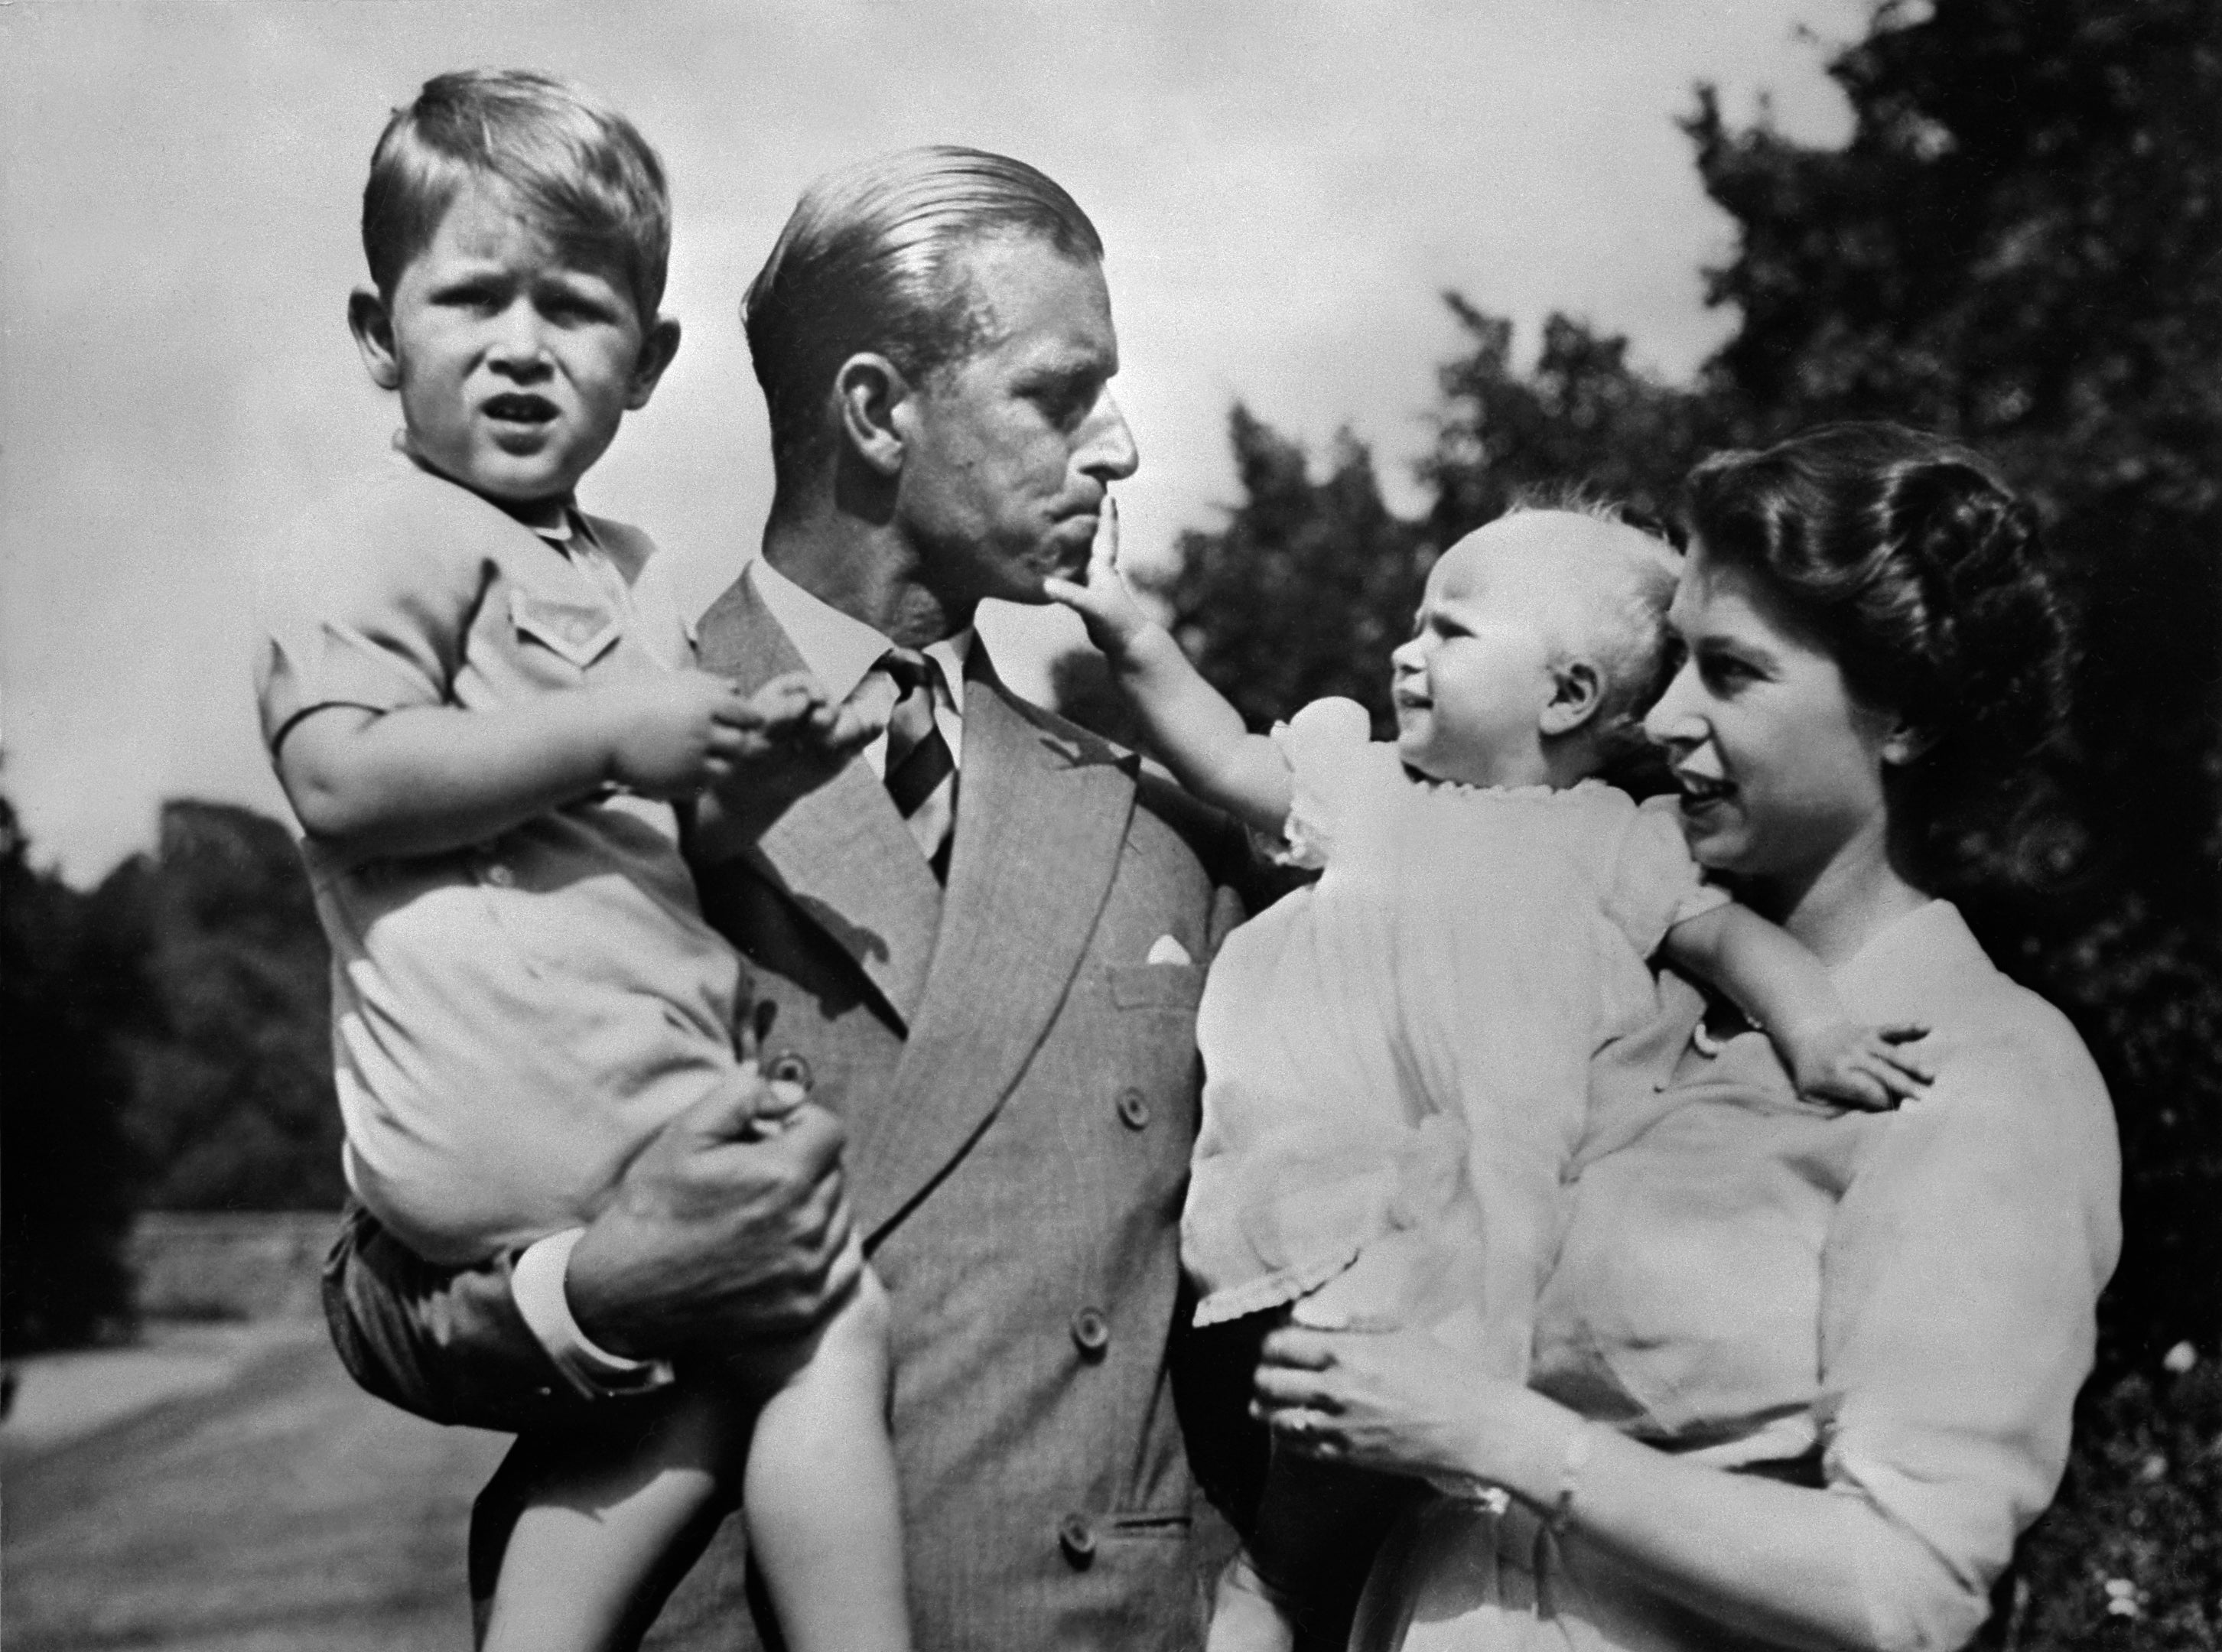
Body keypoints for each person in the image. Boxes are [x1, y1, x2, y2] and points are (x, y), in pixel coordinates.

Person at [317, 142, 1260, 1650]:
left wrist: (1260, 1598)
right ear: (879, 411)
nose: (1121, 449)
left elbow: (1283, 1276)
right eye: (1059, 393)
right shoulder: (568, 761)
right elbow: (376, 1292)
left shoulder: (1156, 828)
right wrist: (604, 1291)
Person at [1249, 424, 2122, 1651]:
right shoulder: (1617, 993)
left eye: (1731, 672)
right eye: (1671, 666)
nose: (1659, 716)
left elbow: (1905, 1587)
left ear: (1903, 720)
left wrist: (1490, 1432)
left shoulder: (1981, 1073)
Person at [256, 71, 913, 1652]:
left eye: (577, 309)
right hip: (519, 1098)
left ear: (650, 363)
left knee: (676, 1400)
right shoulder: (385, 531)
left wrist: (744, 775)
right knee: (830, 1322)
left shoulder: (615, 572)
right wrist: (620, 734)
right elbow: (340, 778)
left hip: (598, 1095)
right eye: (470, 297)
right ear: (376, 336)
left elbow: (633, 829)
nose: (522, 345)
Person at [1052, 499, 1931, 1650]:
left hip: (1496, 1264)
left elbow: (1734, 945)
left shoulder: (1625, 843)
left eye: (1449, 631)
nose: (1403, 651)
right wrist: (1130, 634)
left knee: (1438, 1558)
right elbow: (1223, 759)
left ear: (1565, 695)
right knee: (1290, 1561)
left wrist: (1817, 1031)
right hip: (1334, 1233)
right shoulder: (1371, 794)